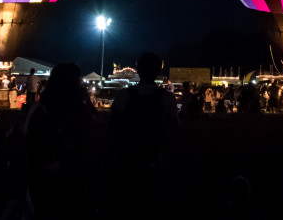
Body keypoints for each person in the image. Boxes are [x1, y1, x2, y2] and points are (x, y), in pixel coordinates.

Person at [106, 51, 179, 216]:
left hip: (126, 156)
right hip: (154, 155)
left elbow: (112, 126)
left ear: (138, 70)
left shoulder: (124, 95)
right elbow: (174, 127)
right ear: (158, 72)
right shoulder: (167, 98)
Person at [25, 62, 98, 219]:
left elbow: (29, 144)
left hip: (43, 180)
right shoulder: (81, 111)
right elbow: (91, 140)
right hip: (74, 179)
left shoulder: (39, 109)